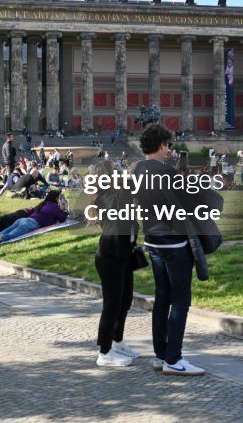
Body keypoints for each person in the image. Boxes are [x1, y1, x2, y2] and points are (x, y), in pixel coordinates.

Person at [130, 123, 219, 376]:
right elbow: (198, 201)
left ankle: (160, 355)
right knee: (181, 300)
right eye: (167, 144)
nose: (169, 149)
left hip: (152, 240)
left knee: (162, 299)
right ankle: (174, 359)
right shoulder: (167, 173)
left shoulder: (136, 169)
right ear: (162, 145)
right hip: (174, 241)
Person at [90, 160, 142, 367]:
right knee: (111, 305)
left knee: (125, 300)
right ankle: (104, 352)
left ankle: (117, 341)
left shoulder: (115, 195)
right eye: (115, 172)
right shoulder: (105, 198)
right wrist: (129, 180)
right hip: (110, 257)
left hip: (124, 255)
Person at [0, 189, 68, 246]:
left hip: (23, 220)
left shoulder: (44, 203)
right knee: (10, 236)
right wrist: (65, 209)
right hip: (30, 224)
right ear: (56, 199)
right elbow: (62, 219)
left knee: (0, 233)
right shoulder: (55, 207)